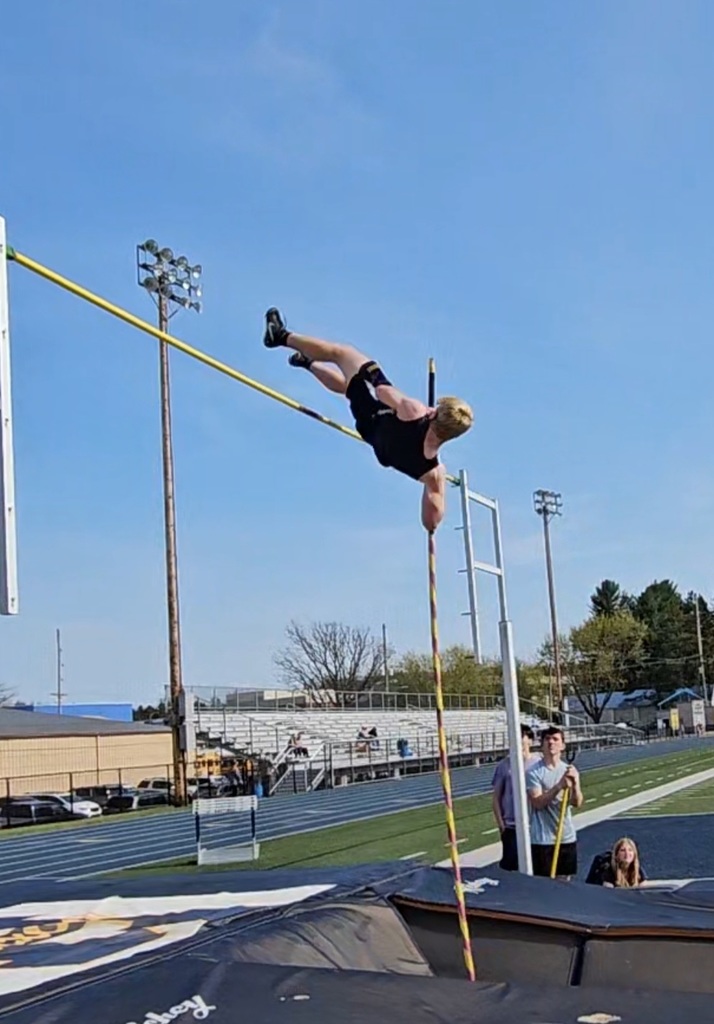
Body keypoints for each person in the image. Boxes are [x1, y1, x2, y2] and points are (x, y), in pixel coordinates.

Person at [262, 308, 474, 531]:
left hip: (379, 418)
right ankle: (308, 363)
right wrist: (431, 491)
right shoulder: (435, 473)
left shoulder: (416, 411)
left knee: (342, 354)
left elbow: (383, 391)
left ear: (435, 413)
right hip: (375, 437)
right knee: (351, 388)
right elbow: (430, 522)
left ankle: (280, 337)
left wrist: (373, 371)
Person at [526, 726, 584, 880]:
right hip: (542, 840)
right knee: (544, 885)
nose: (551, 742)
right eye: (547, 739)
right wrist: (559, 786)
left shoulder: (568, 770)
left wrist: (575, 783)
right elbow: (537, 803)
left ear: (562, 745)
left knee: (564, 884)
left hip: (565, 836)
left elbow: (577, 802)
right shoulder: (533, 772)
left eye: (555, 739)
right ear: (542, 744)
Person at [491, 724, 539, 871]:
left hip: (535, 825)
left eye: (521, 736)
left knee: (536, 868)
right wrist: (502, 826)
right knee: (511, 869)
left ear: (530, 740)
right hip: (511, 826)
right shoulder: (504, 766)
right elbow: (496, 798)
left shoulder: (538, 763)